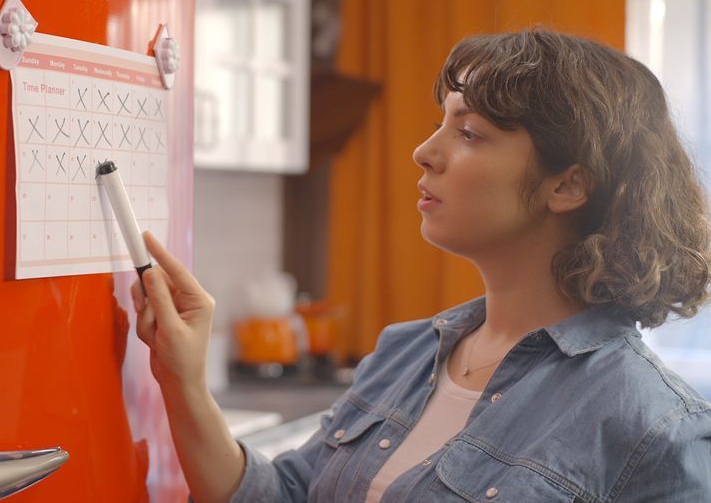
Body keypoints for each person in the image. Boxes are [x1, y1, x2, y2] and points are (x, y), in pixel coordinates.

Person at [131, 29, 711, 502]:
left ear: (569, 185)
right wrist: (181, 381)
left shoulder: (656, 427)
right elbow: (282, 496)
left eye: (468, 132)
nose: (423, 152)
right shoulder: (402, 354)